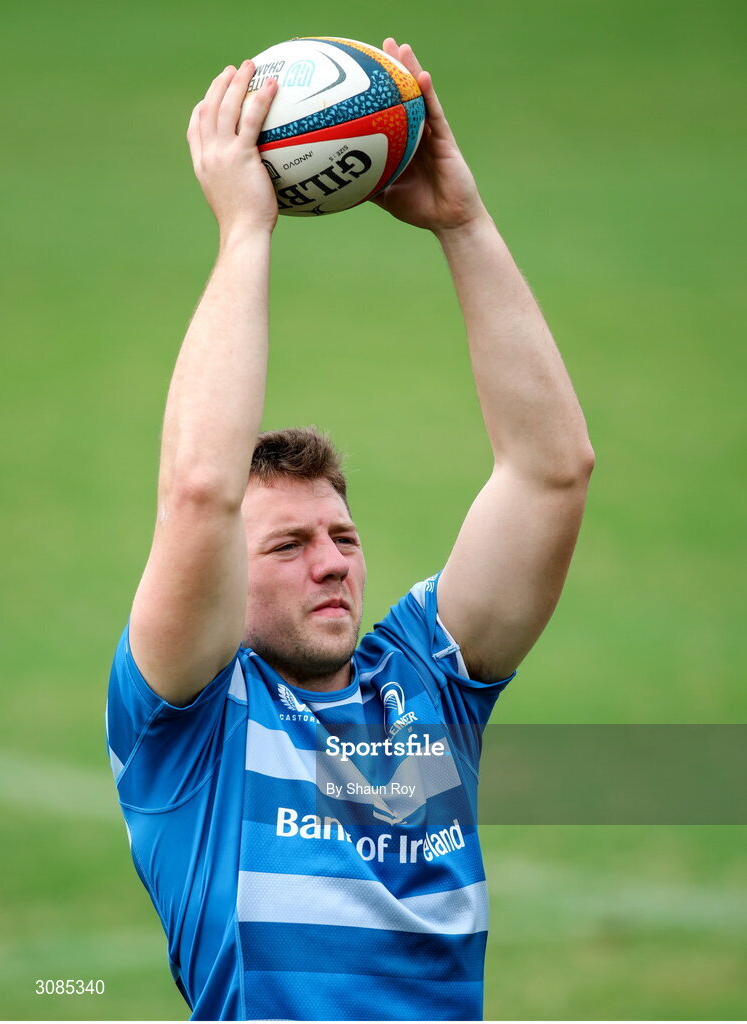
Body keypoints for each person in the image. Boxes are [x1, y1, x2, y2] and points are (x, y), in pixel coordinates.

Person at [106, 39, 594, 1022]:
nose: (332, 562)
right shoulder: (188, 727)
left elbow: (552, 473)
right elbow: (201, 491)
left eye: (344, 536)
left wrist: (463, 222)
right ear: (220, 584)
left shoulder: (428, 686)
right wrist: (246, 233)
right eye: (287, 547)